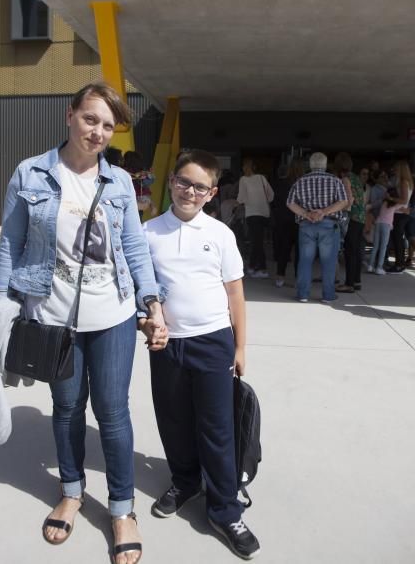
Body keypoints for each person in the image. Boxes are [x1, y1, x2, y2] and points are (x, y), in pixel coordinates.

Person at [0, 81, 167, 564]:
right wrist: (3, 304)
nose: (98, 132)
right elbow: (11, 242)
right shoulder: (30, 173)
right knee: (66, 408)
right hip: (52, 316)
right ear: (70, 116)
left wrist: (152, 305)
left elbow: (133, 248)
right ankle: (70, 490)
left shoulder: (121, 183)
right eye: (91, 119)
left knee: (112, 412)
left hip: (113, 315)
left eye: (108, 126)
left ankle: (123, 508)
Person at [140, 150, 260, 560]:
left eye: (200, 186)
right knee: (173, 419)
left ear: (211, 193)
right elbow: (141, 291)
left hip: (213, 342)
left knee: (217, 427)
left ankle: (225, 509)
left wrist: (240, 346)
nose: (190, 191)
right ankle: (185, 480)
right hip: (167, 344)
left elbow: (235, 293)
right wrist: (148, 323)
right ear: (171, 180)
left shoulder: (220, 235)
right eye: (184, 181)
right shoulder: (148, 232)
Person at [287, 152, 348, 303]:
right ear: (326, 165)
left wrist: (306, 214)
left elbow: (290, 203)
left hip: (307, 225)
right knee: (328, 261)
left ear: (310, 165)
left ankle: (303, 294)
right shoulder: (334, 180)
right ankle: (328, 295)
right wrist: (324, 212)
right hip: (329, 223)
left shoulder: (300, 181)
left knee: (305, 260)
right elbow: (343, 202)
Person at [333, 153, 366, 293]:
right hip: (361, 217)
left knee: (349, 251)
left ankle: (349, 284)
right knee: (357, 251)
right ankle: (357, 281)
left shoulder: (346, 179)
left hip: (352, 218)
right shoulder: (357, 178)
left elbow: (349, 200)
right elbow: (362, 199)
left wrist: (338, 211)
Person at [237, 157, 273, 278]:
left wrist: (238, 202)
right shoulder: (262, 178)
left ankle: (261, 268)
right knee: (258, 241)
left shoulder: (243, 180)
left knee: (256, 242)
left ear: (245, 168)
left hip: (252, 213)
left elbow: (241, 198)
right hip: (264, 213)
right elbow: (271, 195)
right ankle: (253, 266)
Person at [272, 159, 304, 287]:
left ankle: (280, 276)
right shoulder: (303, 184)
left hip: (283, 220)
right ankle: (297, 277)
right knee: (299, 251)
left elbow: (275, 202)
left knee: (284, 250)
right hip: (300, 220)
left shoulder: (281, 183)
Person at [368, 189, 405, 275]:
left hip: (378, 223)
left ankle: (370, 266)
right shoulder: (395, 204)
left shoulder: (383, 203)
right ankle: (379, 267)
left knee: (376, 246)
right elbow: (403, 203)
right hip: (386, 225)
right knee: (383, 247)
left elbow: (374, 205)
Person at [387, 160, 414, 273]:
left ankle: (399, 265)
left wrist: (391, 198)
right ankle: (400, 263)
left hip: (399, 214)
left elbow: (403, 199)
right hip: (402, 213)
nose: (394, 170)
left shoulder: (403, 182)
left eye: (396, 169)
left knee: (397, 240)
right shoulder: (408, 181)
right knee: (398, 239)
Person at [123, 150, 158, 220]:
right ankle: (152, 206)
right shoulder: (142, 171)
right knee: (139, 216)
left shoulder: (123, 171)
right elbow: (150, 181)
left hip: (131, 197)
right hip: (142, 196)